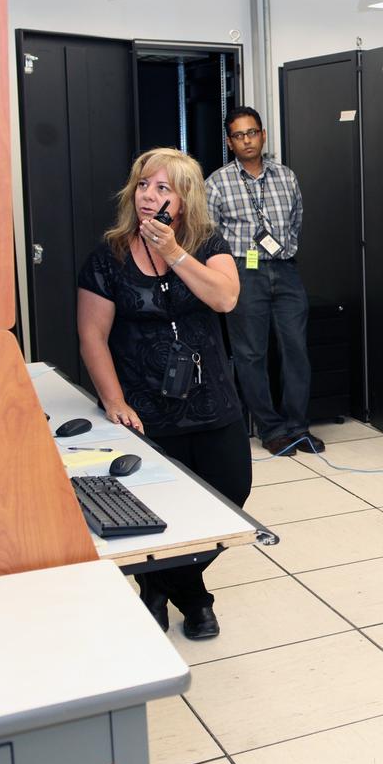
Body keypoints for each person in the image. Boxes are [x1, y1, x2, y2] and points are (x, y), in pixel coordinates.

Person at [77, 147, 250, 640]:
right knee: (157, 509)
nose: (149, 196)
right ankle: (193, 599)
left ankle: (160, 585)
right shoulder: (108, 257)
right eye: (143, 185)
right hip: (145, 406)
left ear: (184, 198)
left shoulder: (205, 243)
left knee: (230, 496)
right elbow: (92, 335)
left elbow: (225, 297)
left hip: (213, 400)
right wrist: (113, 400)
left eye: (162, 187)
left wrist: (174, 252)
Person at [206, 106, 322, 457]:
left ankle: (298, 427)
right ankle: (271, 429)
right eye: (239, 135)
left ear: (263, 135)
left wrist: (282, 251)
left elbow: (296, 219)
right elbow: (208, 236)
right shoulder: (217, 182)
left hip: (285, 269)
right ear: (230, 142)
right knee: (251, 353)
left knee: (296, 351)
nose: (247, 140)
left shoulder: (286, 176)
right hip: (242, 272)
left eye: (252, 132)